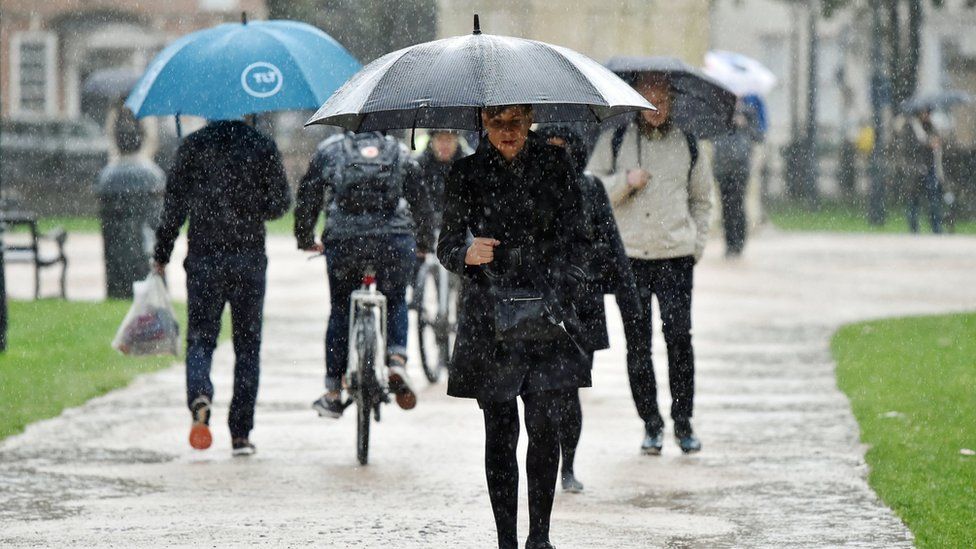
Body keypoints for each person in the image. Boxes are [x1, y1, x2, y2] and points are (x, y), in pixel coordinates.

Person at [438, 105, 591, 549]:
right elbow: (446, 243)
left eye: (516, 121)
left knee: (545, 425)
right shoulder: (465, 172)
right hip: (490, 317)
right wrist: (467, 254)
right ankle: (506, 538)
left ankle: (538, 537)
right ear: (482, 123)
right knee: (500, 430)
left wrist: (565, 281)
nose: (507, 131)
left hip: (547, 310)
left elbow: (580, 239)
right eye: (496, 121)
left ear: (530, 120)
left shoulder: (555, 163)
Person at [587, 72, 714, 455]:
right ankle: (651, 424)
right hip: (631, 260)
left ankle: (684, 422)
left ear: (672, 101)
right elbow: (590, 189)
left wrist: (696, 246)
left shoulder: (688, 143)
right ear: (637, 100)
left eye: (663, 99)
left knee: (679, 340)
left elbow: (703, 200)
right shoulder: (617, 140)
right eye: (649, 99)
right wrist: (625, 180)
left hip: (676, 258)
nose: (656, 107)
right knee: (637, 346)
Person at [153, 119, 291, 456]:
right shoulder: (261, 145)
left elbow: (173, 208)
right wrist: (252, 203)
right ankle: (241, 434)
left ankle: (200, 394)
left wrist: (161, 255)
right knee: (248, 346)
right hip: (248, 260)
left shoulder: (193, 146)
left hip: (204, 258)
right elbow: (280, 204)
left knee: (201, 338)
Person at [535, 124, 645, 494]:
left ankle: (567, 465)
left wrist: (629, 300)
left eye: (563, 149)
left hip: (583, 305)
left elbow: (612, 245)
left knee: (569, 391)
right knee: (537, 393)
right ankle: (542, 463)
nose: (557, 157)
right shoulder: (525, 189)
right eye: (549, 149)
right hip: (536, 305)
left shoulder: (590, 189)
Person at [295, 130, 434, 418]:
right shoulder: (398, 150)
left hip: (345, 240)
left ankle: (333, 390)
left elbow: (308, 194)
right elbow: (420, 200)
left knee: (340, 309)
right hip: (392, 239)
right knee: (395, 298)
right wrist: (423, 243)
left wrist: (304, 236)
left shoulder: (329, 148)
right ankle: (396, 359)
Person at [95, 108, 165, 298]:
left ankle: (120, 287)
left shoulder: (109, 176)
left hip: (121, 256)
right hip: (145, 252)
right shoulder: (152, 175)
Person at [712, 99, 763, 257]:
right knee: (726, 206)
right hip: (722, 166)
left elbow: (758, 136)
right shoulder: (719, 112)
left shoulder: (749, 112)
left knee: (738, 204)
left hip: (740, 166)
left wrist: (744, 123)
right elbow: (710, 134)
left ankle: (739, 243)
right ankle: (729, 243)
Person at [903, 108, 945, 234]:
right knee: (914, 201)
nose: (926, 115)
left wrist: (935, 142)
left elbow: (938, 145)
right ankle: (914, 228)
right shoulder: (912, 127)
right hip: (916, 170)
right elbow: (910, 147)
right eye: (924, 112)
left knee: (934, 200)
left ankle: (936, 228)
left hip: (931, 169)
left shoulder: (932, 126)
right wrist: (927, 143)